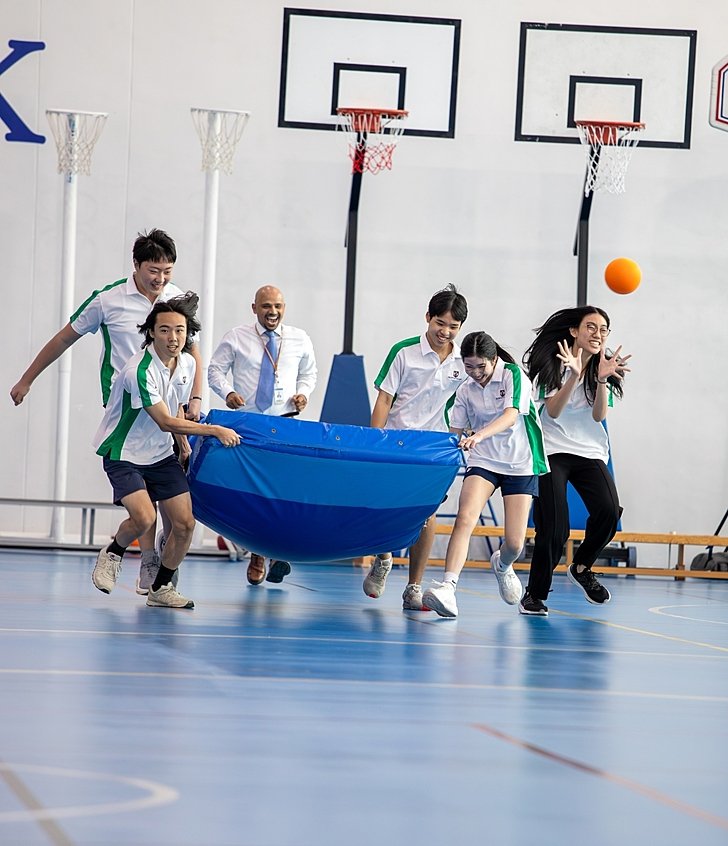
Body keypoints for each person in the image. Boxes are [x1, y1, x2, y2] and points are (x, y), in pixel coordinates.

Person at [10, 229, 203, 593]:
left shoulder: (176, 299)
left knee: (170, 479)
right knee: (143, 489)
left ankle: (160, 555)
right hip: (126, 401)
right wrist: (27, 379)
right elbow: (64, 337)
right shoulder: (109, 300)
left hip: (167, 398)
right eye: (153, 271)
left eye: (167, 271)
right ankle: (147, 557)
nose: (160, 280)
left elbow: (192, 350)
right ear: (136, 265)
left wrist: (194, 399)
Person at [91, 292, 240, 608]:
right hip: (124, 453)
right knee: (144, 518)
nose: (173, 338)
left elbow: (179, 406)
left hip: (161, 455)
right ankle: (113, 552)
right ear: (151, 332)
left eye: (180, 330)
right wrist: (214, 430)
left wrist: (184, 445)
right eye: (165, 330)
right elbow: (163, 420)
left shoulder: (186, 363)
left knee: (185, 524)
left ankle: (160, 588)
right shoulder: (139, 371)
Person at [422, 331, 549, 618]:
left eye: (481, 366)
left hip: (520, 463)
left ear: (494, 360)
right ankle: (447, 588)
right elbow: (454, 436)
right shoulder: (465, 391)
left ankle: (502, 564)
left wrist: (478, 435)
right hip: (484, 461)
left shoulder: (512, 375)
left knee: (515, 543)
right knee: (464, 518)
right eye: (469, 367)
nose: (476, 373)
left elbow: (511, 415)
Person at [518, 306, 631, 616]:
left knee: (609, 512)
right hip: (552, 450)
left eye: (603, 329)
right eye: (591, 327)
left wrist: (602, 379)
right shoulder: (551, 364)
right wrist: (574, 375)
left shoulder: (604, 367)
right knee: (555, 529)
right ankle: (534, 595)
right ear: (574, 331)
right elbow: (552, 411)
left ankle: (581, 567)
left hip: (589, 451)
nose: (597, 334)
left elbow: (598, 416)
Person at [363, 283, 468, 611]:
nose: (445, 332)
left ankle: (414, 587)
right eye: (440, 323)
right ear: (428, 318)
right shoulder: (404, 352)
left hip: (434, 447)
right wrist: (373, 443)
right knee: (387, 507)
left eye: (453, 327)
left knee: (428, 514)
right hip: (395, 443)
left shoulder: (463, 363)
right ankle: (383, 558)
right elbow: (384, 398)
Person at [208, 284, 317, 585]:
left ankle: (278, 552)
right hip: (249, 426)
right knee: (256, 492)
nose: (273, 312)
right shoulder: (237, 336)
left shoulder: (299, 338)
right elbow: (214, 370)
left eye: (278, 306)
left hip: (284, 424)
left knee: (284, 490)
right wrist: (227, 392)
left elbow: (310, 373)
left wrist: (303, 393)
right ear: (254, 308)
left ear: (284, 308)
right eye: (266, 306)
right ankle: (258, 554)